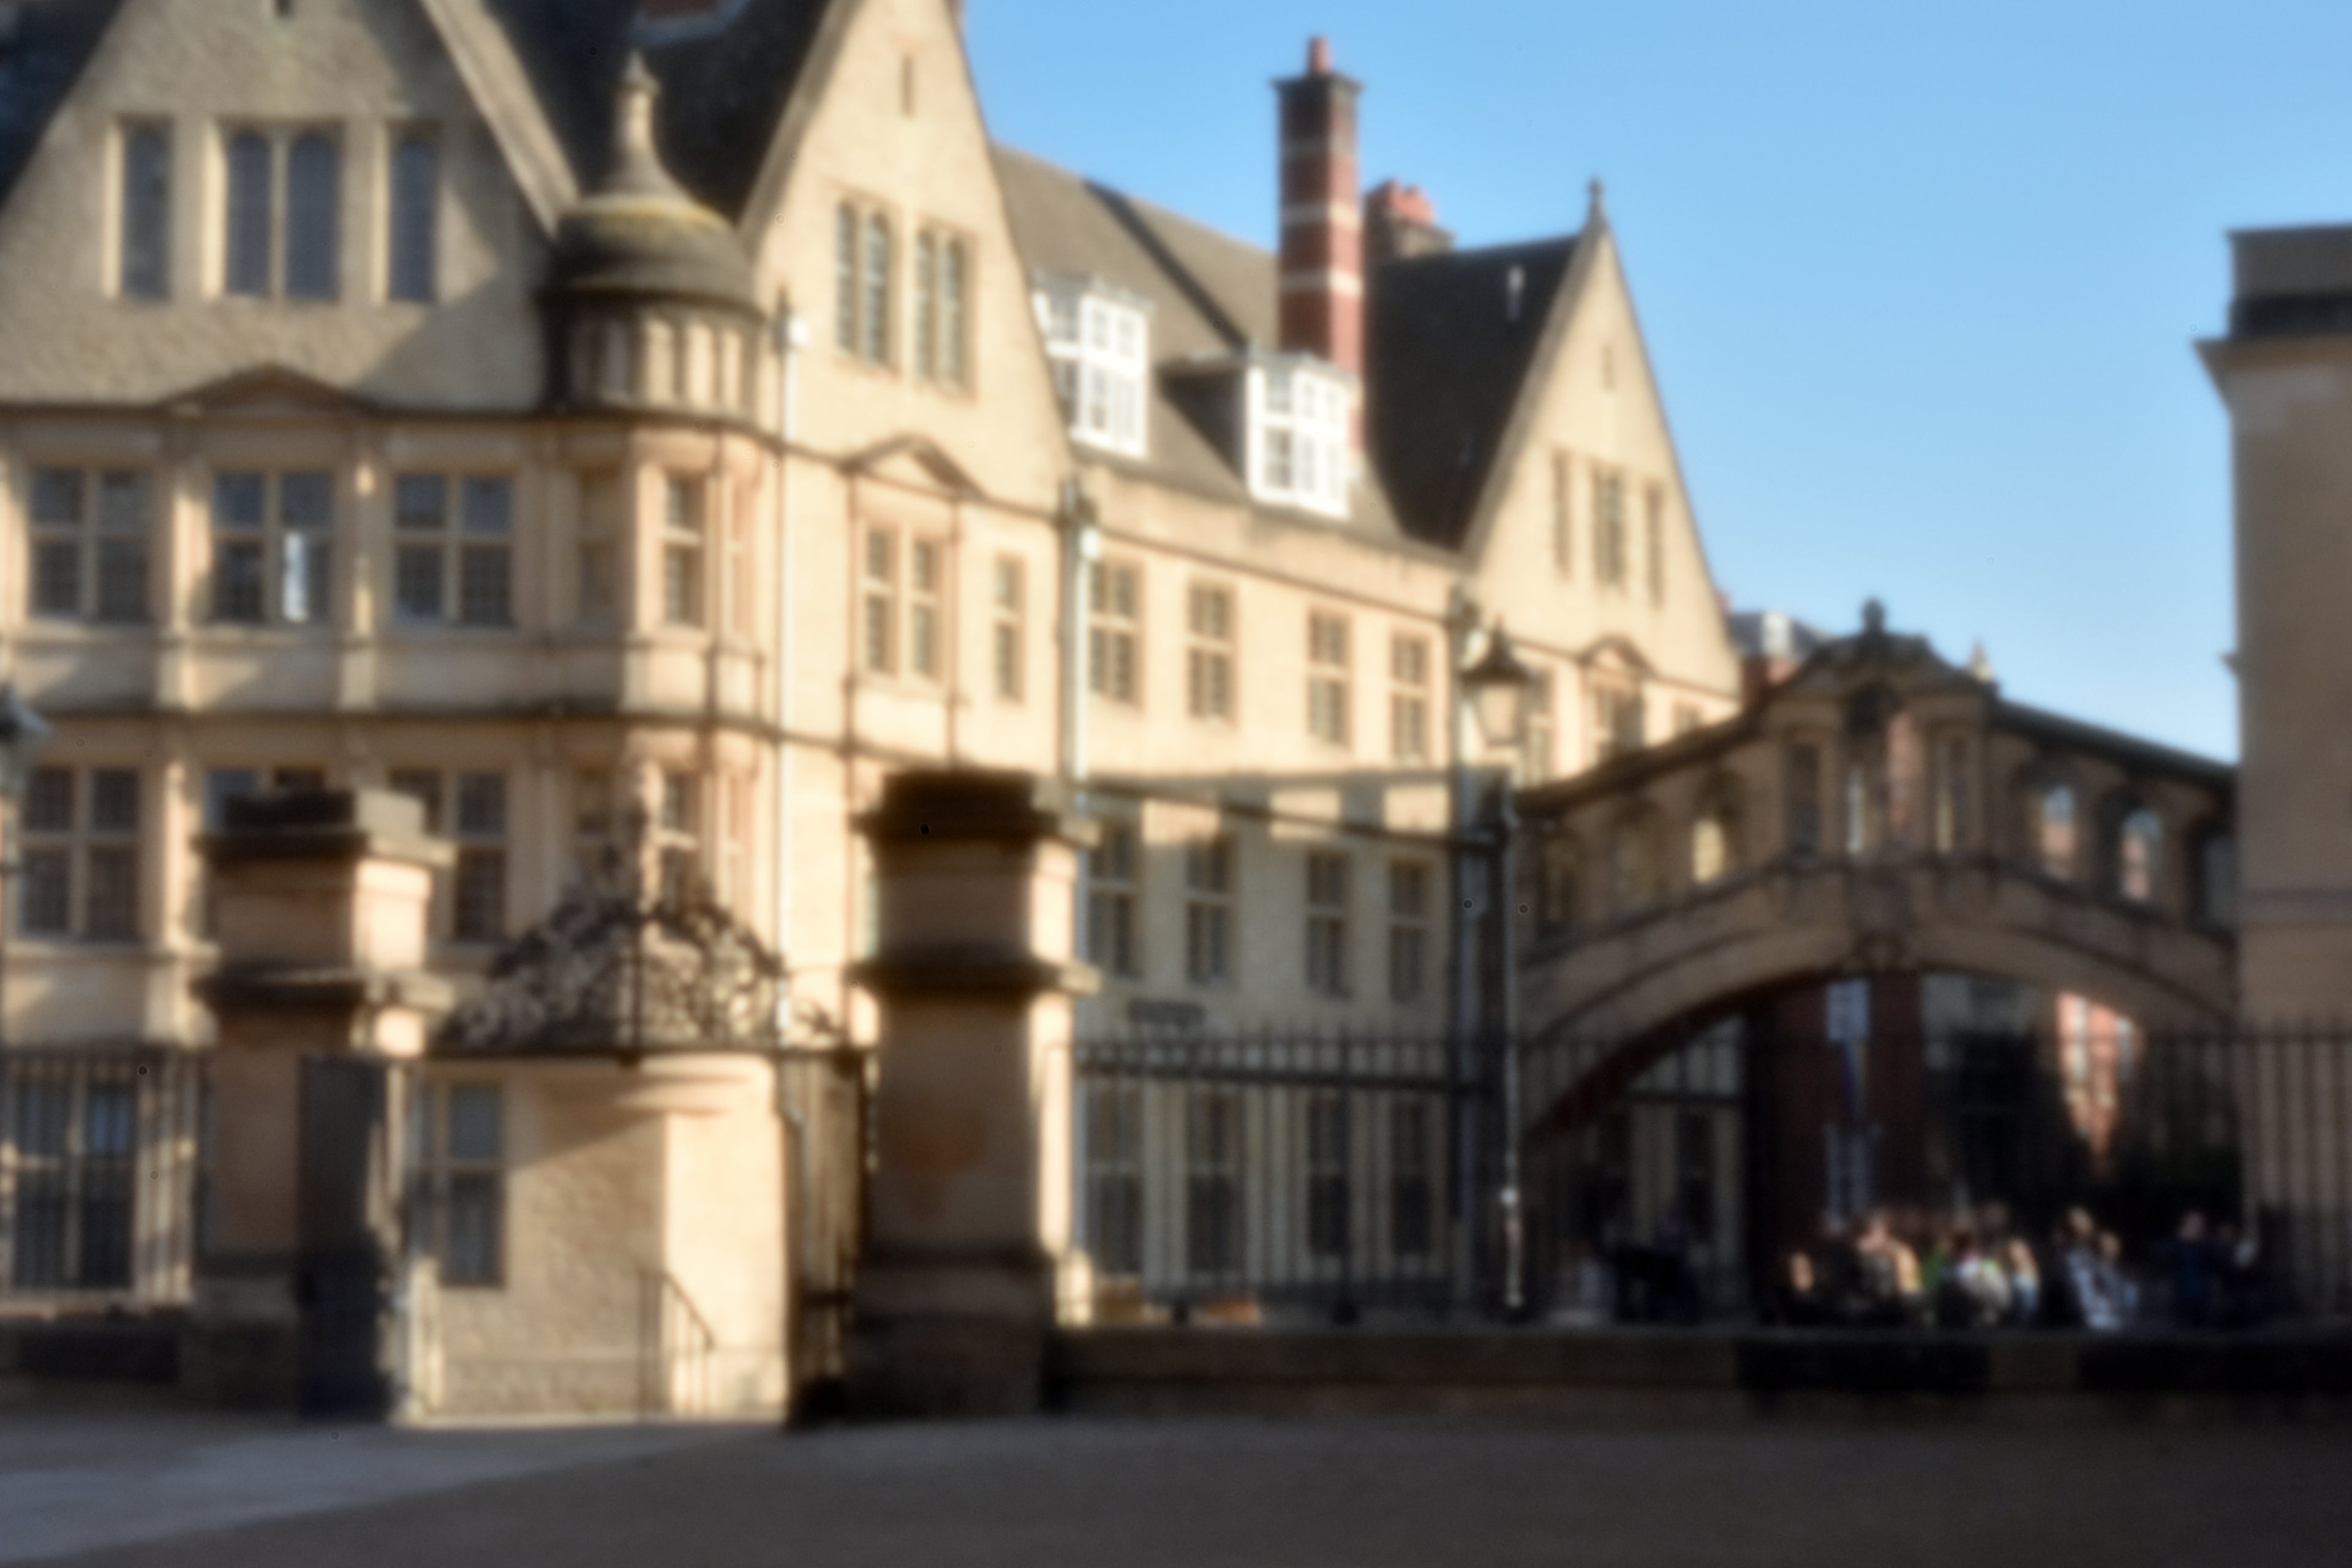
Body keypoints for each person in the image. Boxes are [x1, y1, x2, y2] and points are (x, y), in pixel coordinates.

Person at [2167, 1210, 2215, 1328]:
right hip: (2181, 1300)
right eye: (2193, 1225)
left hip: (2202, 1301)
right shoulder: (2176, 1246)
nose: (2197, 1229)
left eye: (2200, 1226)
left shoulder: (2206, 1247)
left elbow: (2216, 1266)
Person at [1770, 1250, 1831, 1327]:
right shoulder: (1778, 1302)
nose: (1802, 1274)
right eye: (1797, 1270)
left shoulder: (1824, 1300)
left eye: (1805, 1269)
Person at [2002, 1237, 2042, 1325]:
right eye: (2011, 1252)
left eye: (2016, 1251)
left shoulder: (2032, 1270)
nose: (2013, 1255)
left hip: (2030, 1318)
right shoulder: (2011, 1272)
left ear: (2025, 1252)